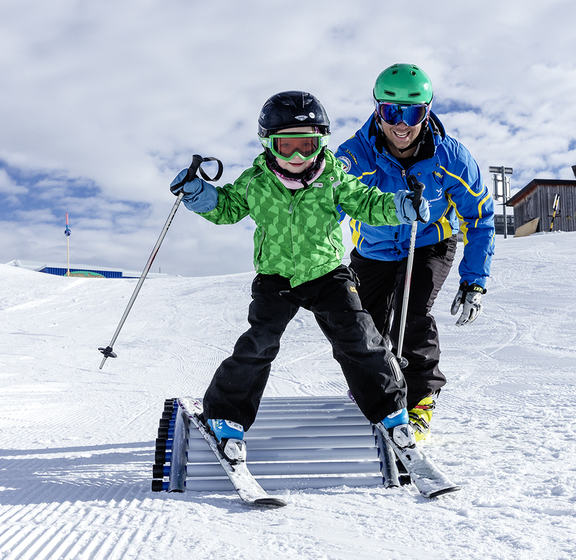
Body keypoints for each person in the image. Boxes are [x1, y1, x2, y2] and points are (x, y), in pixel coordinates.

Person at [169, 91, 431, 463]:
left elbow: (367, 201)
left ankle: (390, 411)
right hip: (275, 277)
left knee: (359, 335)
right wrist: (200, 195)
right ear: (268, 144)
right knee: (259, 343)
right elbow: (227, 208)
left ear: (321, 143)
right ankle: (226, 415)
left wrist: (400, 205)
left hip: (326, 273)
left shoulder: (334, 178)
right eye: (286, 145)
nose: (296, 156)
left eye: (306, 146)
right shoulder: (256, 181)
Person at [336, 64, 495, 441]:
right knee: (361, 326)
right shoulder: (355, 155)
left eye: (413, 113)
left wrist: (474, 281)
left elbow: (479, 217)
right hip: (373, 248)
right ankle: (375, 391)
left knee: (413, 313)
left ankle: (421, 398)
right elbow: (327, 206)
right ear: (377, 110)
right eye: (391, 111)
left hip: (428, 243)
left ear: (427, 110)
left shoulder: (450, 158)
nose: (401, 124)